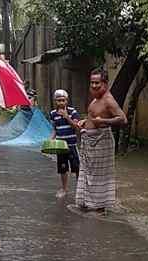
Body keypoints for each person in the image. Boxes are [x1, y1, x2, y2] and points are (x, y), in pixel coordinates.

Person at [75, 68, 127, 212]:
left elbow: (123, 119)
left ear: (105, 83)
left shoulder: (108, 100)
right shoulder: (97, 99)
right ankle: (89, 206)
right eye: (92, 83)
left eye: (97, 83)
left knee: (99, 177)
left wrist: (103, 121)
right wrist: (85, 121)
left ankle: (100, 210)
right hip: (90, 142)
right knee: (88, 174)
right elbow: (94, 117)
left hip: (102, 141)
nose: (94, 86)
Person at [49, 89, 80, 198]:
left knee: (76, 167)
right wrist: (51, 140)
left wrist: (67, 117)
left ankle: (80, 189)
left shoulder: (73, 112)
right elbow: (54, 129)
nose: (61, 103)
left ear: (67, 101)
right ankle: (64, 189)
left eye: (63, 100)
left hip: (72, 145)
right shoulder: (53, 114)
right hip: (60, 146)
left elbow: (77, 127)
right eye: (58, 100)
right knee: (63, 168)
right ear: (55, 101)